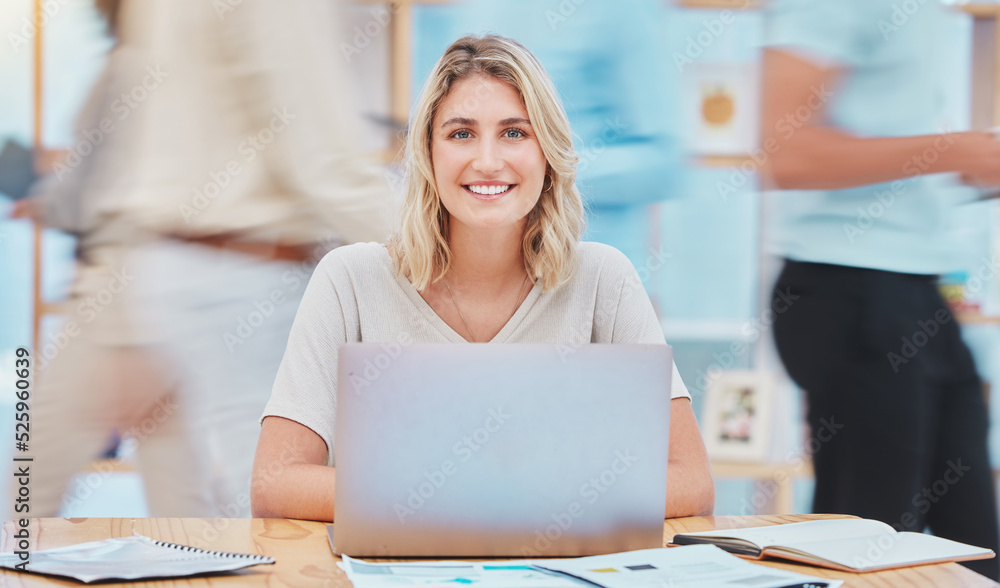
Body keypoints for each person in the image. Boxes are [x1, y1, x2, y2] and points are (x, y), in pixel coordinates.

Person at [251, 35, 715, 522]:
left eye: (515, 133)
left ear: (547, 153)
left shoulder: (604, 280)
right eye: (461, 133)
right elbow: (276, 483)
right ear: (428, 153)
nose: (488, 161)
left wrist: (488, 496)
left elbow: (689, 481)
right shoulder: (350, 280)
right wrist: (476, 496)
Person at [15, 0, 394, 519]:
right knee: (264, 518)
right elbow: (323, 165)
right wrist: (445, 249)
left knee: (196, 519)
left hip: (174, 279)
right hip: (231, 280)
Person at [763, 0, 1000, 579]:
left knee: (974, 553)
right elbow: (785, 150)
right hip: (848, 289)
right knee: (864, 546)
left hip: (915, 293)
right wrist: (956, 150)